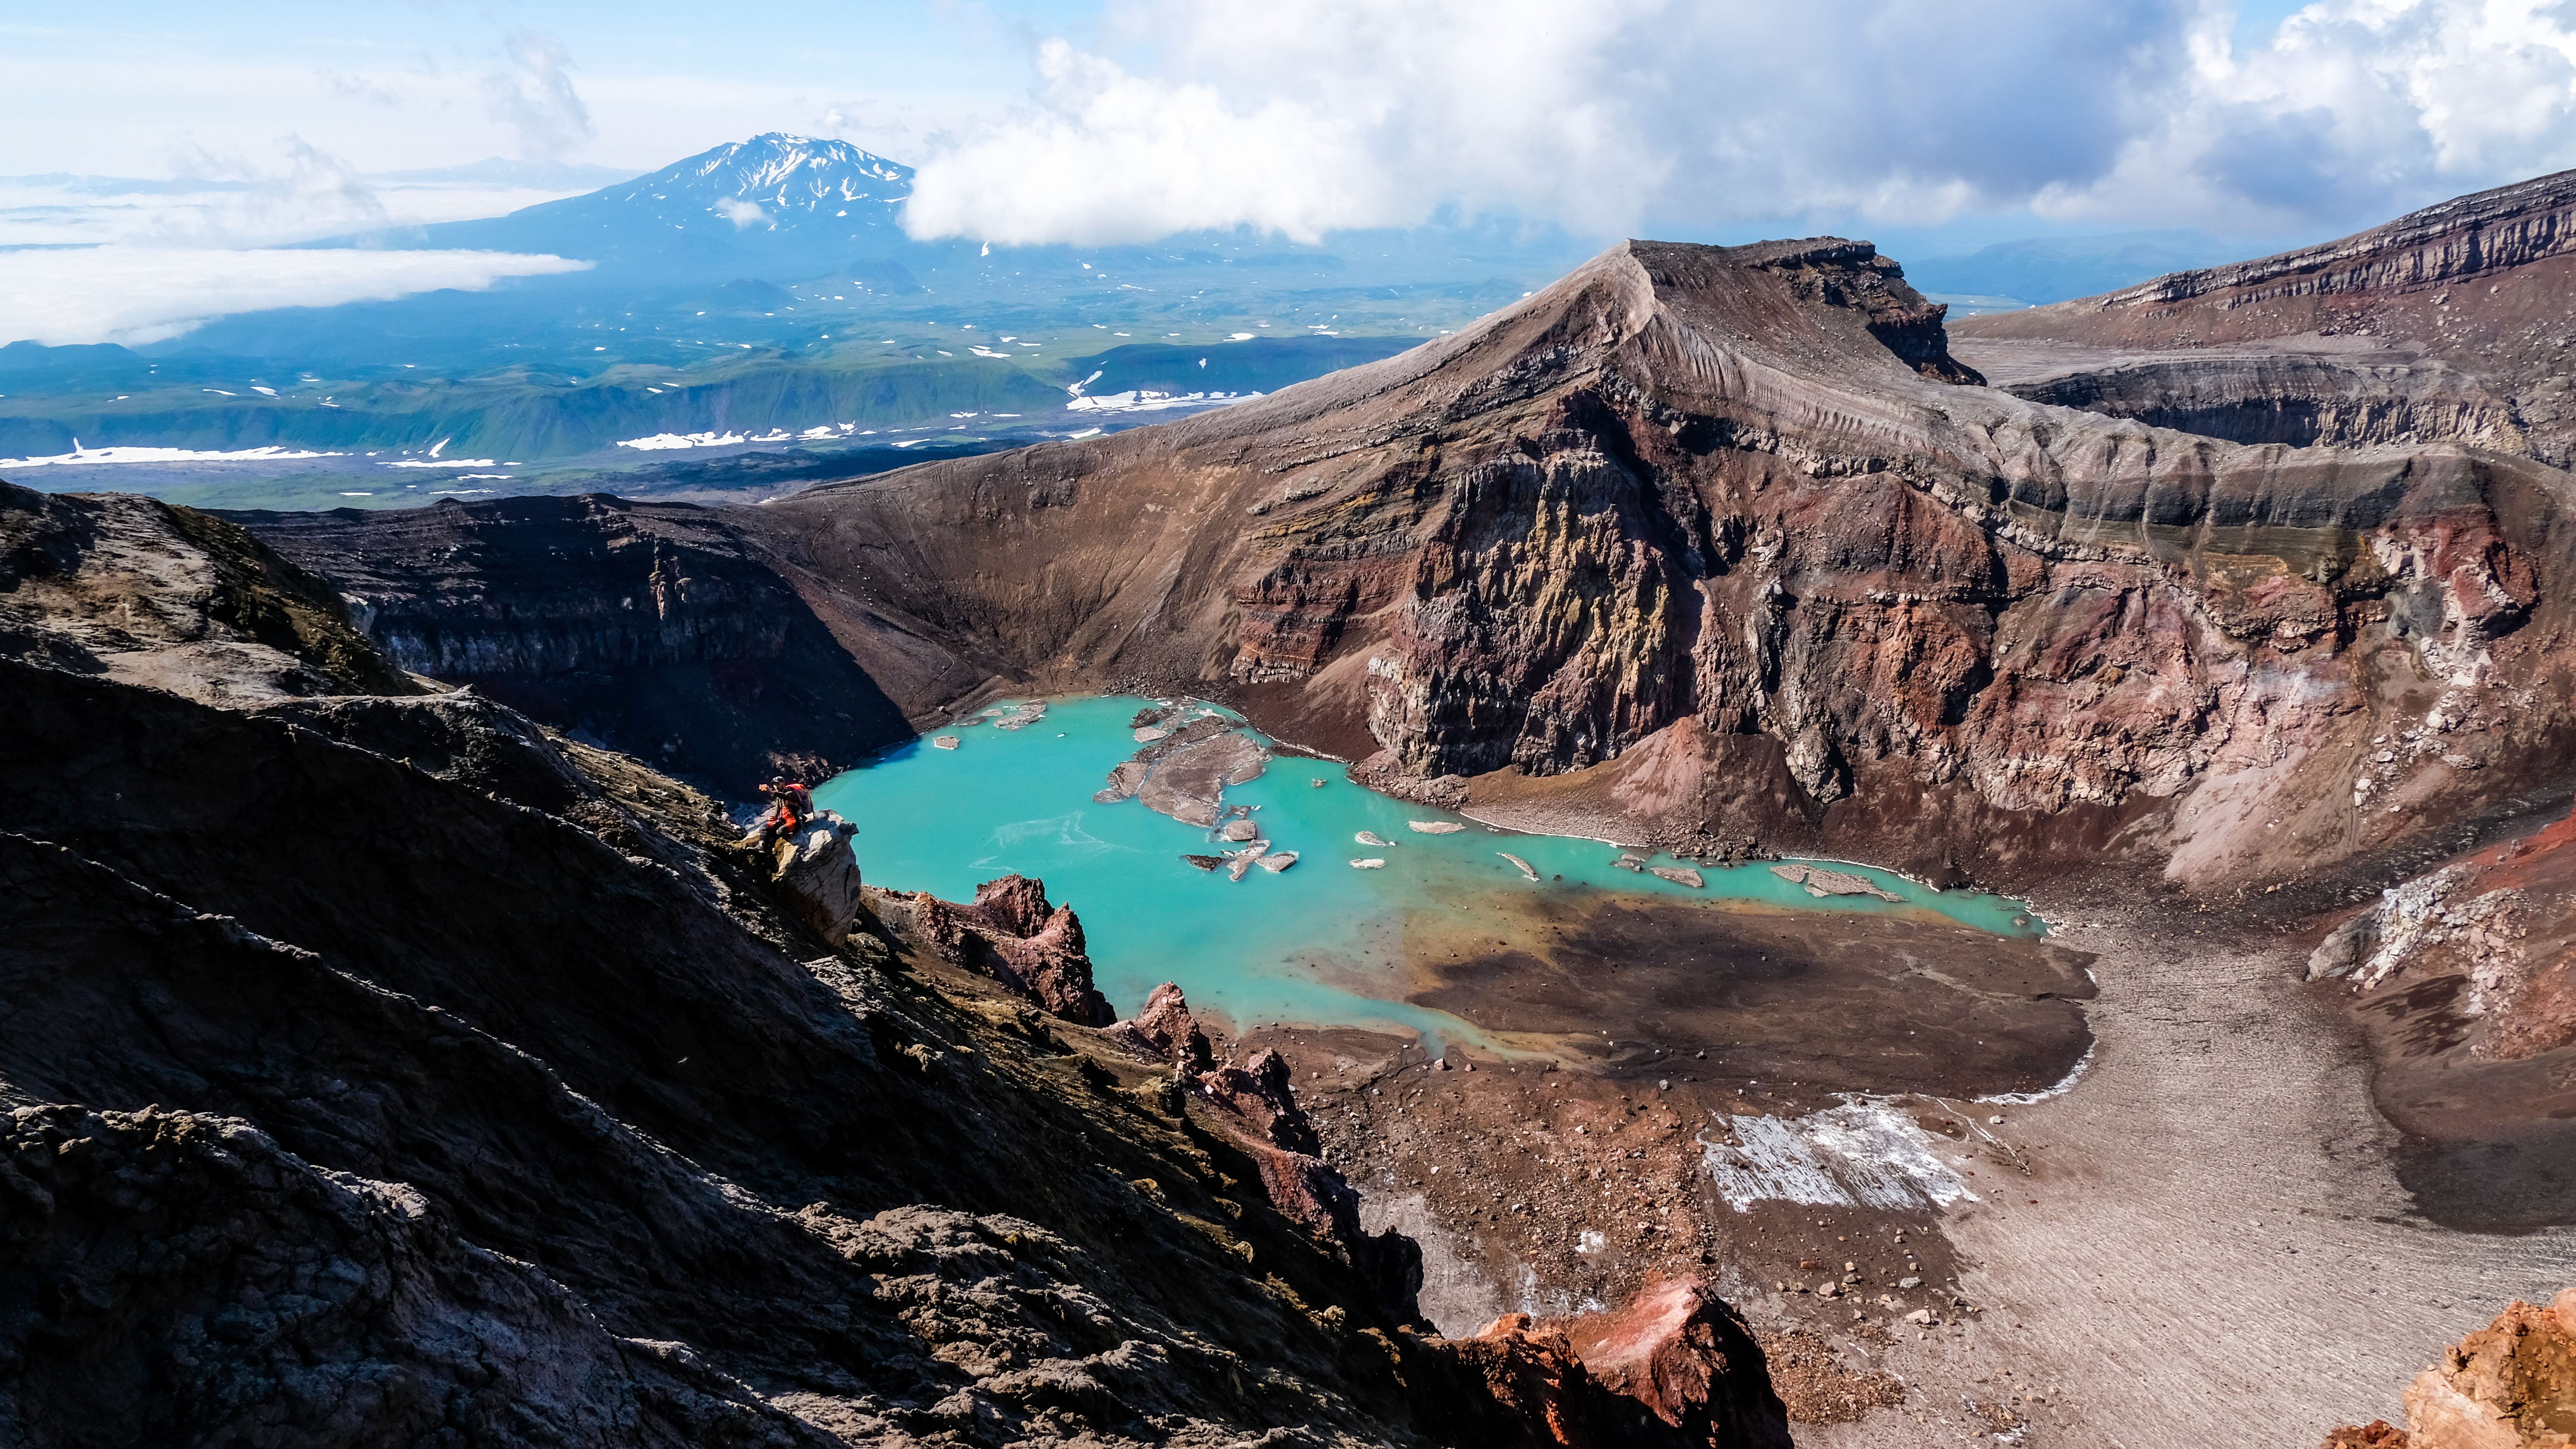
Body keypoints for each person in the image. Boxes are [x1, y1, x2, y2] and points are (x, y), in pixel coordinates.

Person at [747, 776, 814, 848]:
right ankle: (761, 846)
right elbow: (778, 807)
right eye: (774, 785)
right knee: (764, 827)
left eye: (778, 784)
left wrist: (771, 791)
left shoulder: (791, 793)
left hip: (795, 820)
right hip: (784, 819)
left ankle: (773, 839)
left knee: (781, 831)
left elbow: (786, 796)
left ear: (783, 783)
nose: (776, 786)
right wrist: (775, 817)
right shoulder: (779, 796)